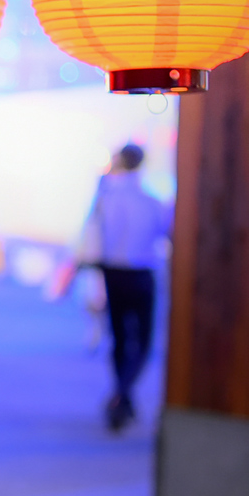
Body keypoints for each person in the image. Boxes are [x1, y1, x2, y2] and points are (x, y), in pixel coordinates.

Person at [82, 142, 171, 431]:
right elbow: (165, 234)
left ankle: (122, 394)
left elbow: (94, 236)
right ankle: (123, 393)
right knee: (142, 340)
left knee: (120, 336)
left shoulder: (107, 197)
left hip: (113, 272)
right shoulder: (152, 200)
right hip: (141, 271)